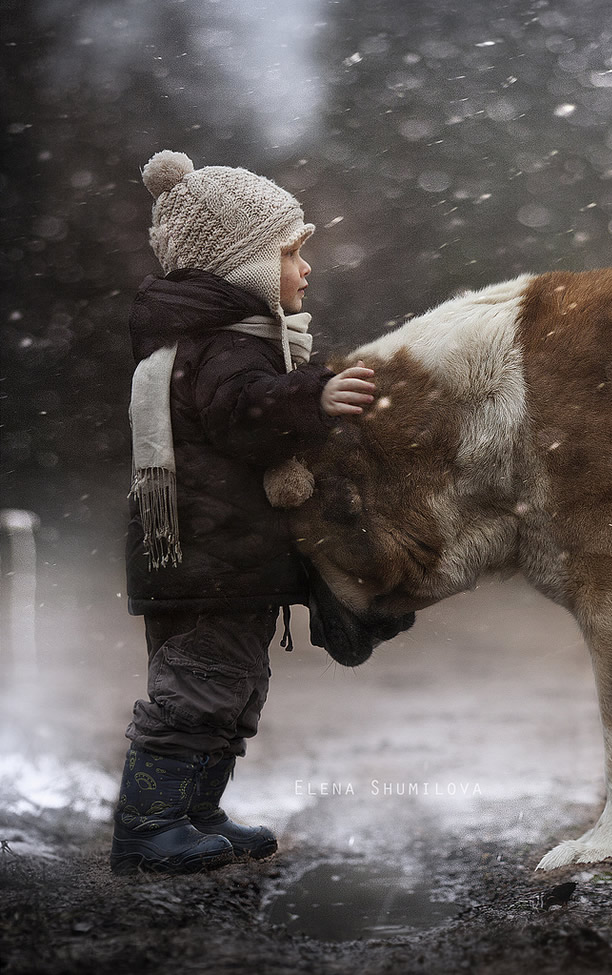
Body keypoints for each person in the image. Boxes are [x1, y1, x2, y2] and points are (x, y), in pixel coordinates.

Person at [110, 150, 376, 875]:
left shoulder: (231, 341)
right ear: (243, 265)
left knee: (231, 686)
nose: (305, 268)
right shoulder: (222, 349)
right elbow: (243, 417)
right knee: (197, 688)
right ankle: (149, 824)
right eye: (290, 252)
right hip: (206, 560)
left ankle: (195, 812)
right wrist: (311, 398)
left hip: (222, 560)